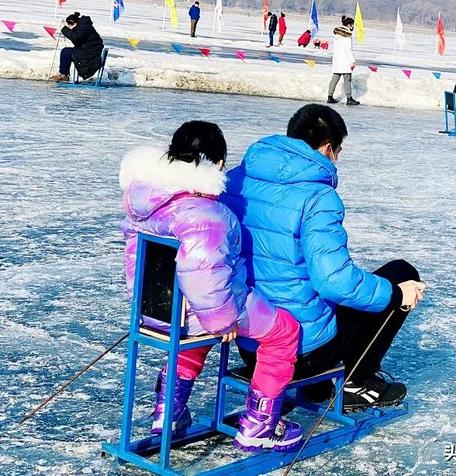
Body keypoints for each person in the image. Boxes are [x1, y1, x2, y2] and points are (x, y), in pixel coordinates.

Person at [223, 105, 426, 412]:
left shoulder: (235, 180)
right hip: (300, 350)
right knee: (400, 274)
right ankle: (358, 381)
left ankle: (317, 384)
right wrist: (396, 293)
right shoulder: (317, 197)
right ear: (329, 148)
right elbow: (334, 282)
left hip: (249, 341)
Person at [120, 121, 304, 452]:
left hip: (155, 309)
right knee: (285, 331)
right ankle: (260, 426)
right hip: (195, 311)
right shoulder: (206, 213)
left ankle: (168, 411)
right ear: (217, 164)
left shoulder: (149, 198)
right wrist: (224, 321)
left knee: (196, 336)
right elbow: (202, 271)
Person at [50, 12, 103, 82]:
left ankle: (63, 75)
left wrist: (64, 29)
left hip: (89, 57)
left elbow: (75, 37)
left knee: (65, 52)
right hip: (91, 53)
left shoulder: (82, 27)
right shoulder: (84, 26)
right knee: (67, 51)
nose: (70, 29)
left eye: (69, 26)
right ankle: (64, 74)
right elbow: (78, 40)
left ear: (73, 24)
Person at [328, 16, 360, 106]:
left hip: (337, 59)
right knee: (347, 79)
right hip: (345, 60)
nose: (353, 27)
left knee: (335, 78)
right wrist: (352, 61)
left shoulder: (336, 34)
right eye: (352, 25)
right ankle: (349, 99)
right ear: (349, 25)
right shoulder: (347, 36)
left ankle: (329, 97)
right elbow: (348, 49)